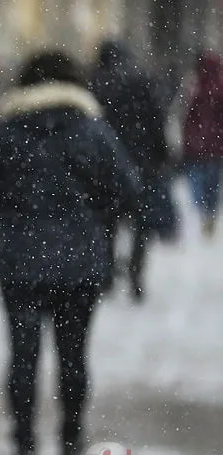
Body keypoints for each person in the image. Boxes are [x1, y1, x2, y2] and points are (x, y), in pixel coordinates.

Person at [0, 52, 141, 455]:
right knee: (74, 355)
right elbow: (128, 190)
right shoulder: (91, 128)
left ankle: (23, 446)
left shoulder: (5, 131)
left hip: (20, 262)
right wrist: (97, 222)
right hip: (79, 262)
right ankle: (71, 438)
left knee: (23, 357)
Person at [89, 40, 175, 300]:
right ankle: (136, 273)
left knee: (107, 223)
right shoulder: (143, 80)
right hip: (142, 162)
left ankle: (106, 275)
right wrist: (161, 154)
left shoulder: (98, 82)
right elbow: (157, 118)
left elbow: (92, 124)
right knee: (141, 223)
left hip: (108, 163)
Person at [182, 51, 223, 238]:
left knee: (198, 182)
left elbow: (186, 115)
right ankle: (209, 214)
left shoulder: (194, 85)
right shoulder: (219, 85)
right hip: (215, 146)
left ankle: (202, 213)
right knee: (212, 184)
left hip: (196, 146)